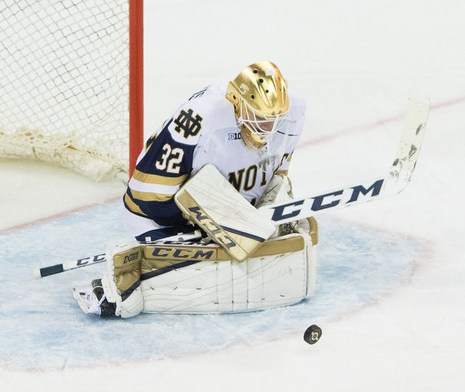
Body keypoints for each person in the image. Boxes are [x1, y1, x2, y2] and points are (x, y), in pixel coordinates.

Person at [74, 61, 317, 318]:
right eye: (258, 116)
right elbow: (146, 196)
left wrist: (264, 206)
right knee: (202, 279)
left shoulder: (293, 111)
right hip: (158, 220)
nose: (267, 127)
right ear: (237, 102)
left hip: (228, 214)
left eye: (272, 118)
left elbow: (276, 172)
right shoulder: (201, 116)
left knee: (258, 262)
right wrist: (204, 225)